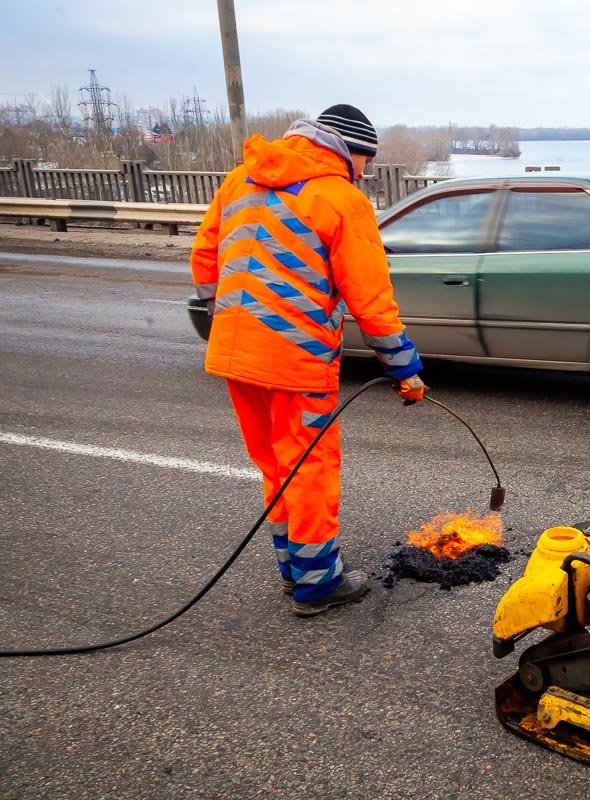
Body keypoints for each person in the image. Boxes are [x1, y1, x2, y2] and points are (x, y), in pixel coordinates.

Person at [190, 104, 427, 617]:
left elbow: (205, 258)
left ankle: (292, 569)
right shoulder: (339, 198)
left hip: (234, 352)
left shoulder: (238, 181)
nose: (364, 173)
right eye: (366, 162)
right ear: (350, 152)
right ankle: (318, 583)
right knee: (310, 467)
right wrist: (404, 369)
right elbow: (371, 299)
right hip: (297, 361)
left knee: (275, 464)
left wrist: (225, 316)